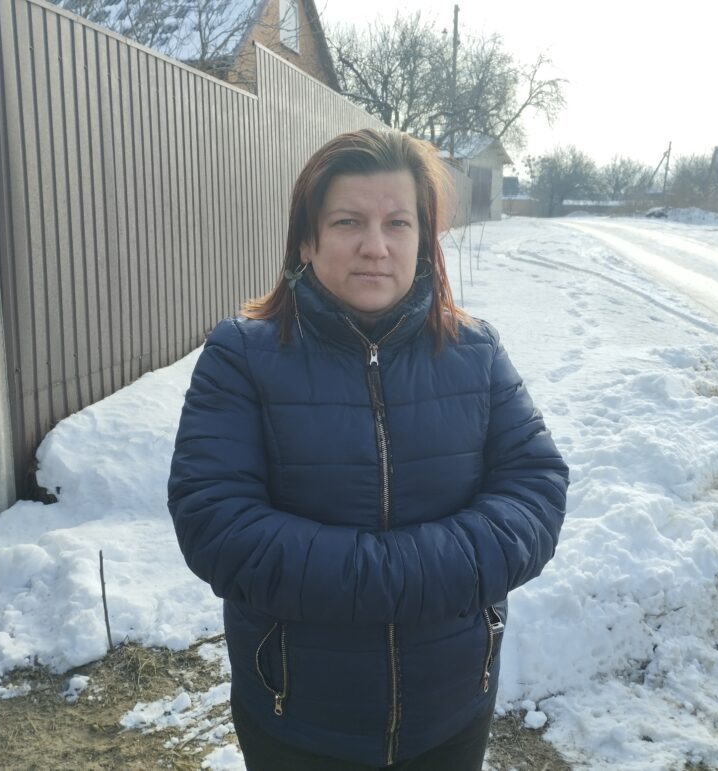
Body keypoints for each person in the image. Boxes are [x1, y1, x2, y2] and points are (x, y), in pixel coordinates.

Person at [168, 128, 568, 770]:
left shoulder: (476, 352)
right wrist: (416, 574)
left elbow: (534, 493)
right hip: (297, 719)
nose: (375, 247)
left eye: (398, 223)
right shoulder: (241, 357)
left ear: (424, 240)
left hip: (450, 710)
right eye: (348, 221)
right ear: (307, 240)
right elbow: (217, 525)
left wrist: (381, 574)